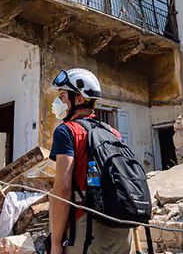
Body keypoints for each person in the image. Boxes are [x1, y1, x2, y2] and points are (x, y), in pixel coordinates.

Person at [49, 68, 132, 254]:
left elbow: (62, 188)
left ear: (79, 99)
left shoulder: (66, 131)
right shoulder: (114, 132)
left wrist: (55, 242)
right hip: (121, 228)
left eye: (63, 96)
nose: (58, 102)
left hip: (87, 229)